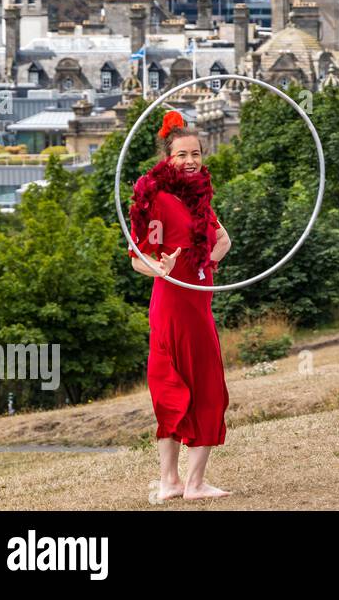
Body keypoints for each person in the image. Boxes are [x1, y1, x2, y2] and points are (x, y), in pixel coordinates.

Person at [127, 110, 233, 501]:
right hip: (172, 300)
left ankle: (182, 482)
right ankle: (183, 482)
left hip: (197, 296)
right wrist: (160, 266)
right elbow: (139, 256)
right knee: (186, 386)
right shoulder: (155, 198)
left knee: (194, 385)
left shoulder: (198, 199)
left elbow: (222, 239)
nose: (190, 161)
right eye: (182, 154)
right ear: (167, 158)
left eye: (196, 154)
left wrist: (207, 262)